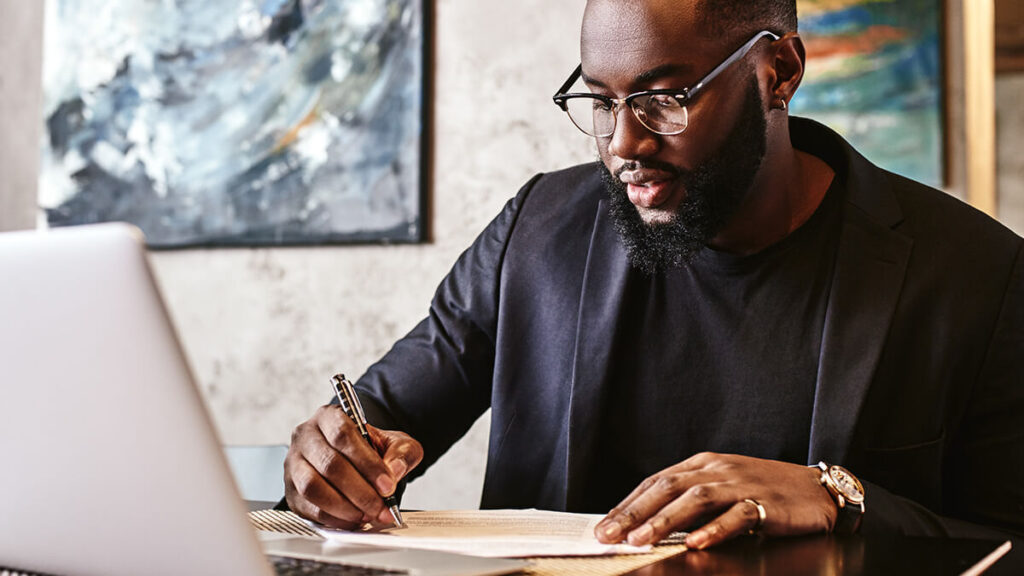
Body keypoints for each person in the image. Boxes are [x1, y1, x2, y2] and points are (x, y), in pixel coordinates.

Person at [283, 0, 1024, 554]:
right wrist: (333, 465)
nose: (623, 143)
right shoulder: (536, 231)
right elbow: (376, 424)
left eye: (665, 98)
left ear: (781, 72)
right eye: (601, 101)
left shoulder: (976, 274)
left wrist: (841, 496)